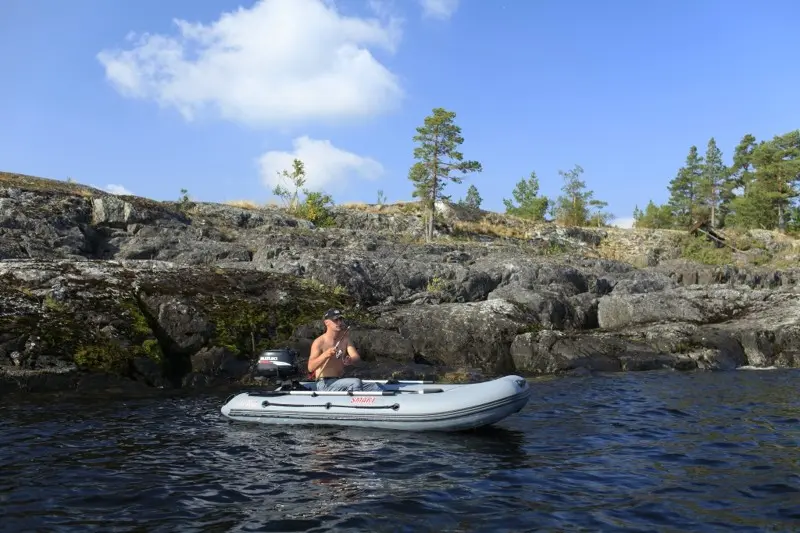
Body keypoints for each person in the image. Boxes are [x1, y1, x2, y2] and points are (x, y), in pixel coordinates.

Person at [307, 308, 382, 392]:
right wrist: (325, 355)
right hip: (325, 383)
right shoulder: (319, 342)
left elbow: (356, 358)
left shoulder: (346, 339)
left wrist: (351, 360)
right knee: (355, 383)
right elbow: (310, 367)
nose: (339, 322)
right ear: (326, 322)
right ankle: (357, 404)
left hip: (340, 381)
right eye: (335, 320)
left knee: (375, 387)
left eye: (340, 319)